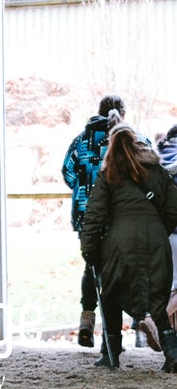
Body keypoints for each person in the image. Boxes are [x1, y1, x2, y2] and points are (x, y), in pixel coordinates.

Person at [80, 123, 177, 372]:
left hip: (118, 244)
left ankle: (111, 354)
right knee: (157, 299)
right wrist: (158, 230)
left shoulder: (108, 174)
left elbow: (94, 216)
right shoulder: (157, 172)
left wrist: (89, 250)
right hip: (155, 241)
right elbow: (174, 209)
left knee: (111, 294)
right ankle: (172, 353)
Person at [62, 95, 125, 347]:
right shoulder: (124, 139)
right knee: (116, 271)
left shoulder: (80, 140)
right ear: (123, 113)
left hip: (85, 214)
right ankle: (112, 338)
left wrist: (82, 191)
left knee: (92, 266)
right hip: (115, 213)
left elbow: (67, 170)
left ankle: (87, 320)